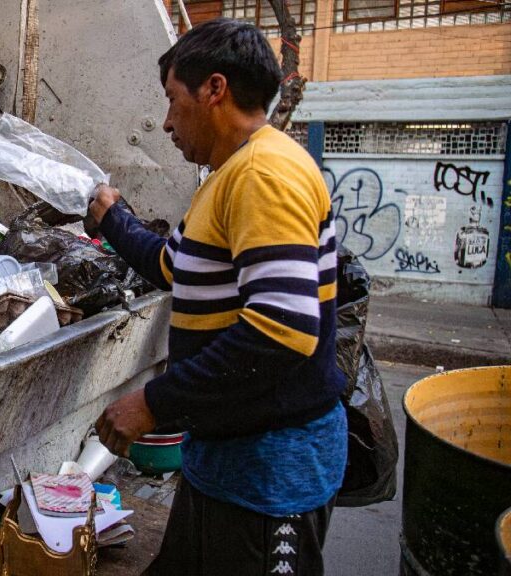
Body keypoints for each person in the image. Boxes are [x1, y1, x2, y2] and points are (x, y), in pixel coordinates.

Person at [91, 18, 348, 576]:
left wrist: (152, 402)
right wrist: (114, 219)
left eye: (171, 99)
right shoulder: (230, 174)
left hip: (269, 474)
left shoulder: (264, 173)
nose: (165, 122)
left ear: (214, 89)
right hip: (228, 462)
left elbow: (281, 330)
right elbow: (173, 265)